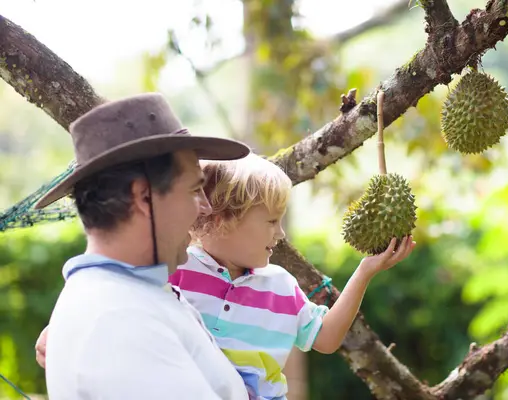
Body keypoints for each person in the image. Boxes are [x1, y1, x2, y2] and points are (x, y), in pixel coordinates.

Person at [36, 93, 251, 399]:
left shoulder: (130, 296)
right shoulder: (117, 321)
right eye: (194, 189)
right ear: (144, 197)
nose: (205, 207)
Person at [168, 153, 416, 400]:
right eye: (272, 221)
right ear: (224, 220)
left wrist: (364, 272)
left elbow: (327, 338)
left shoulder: (280, 286)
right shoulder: (177, 272)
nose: (280, 233)